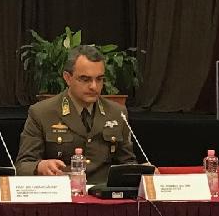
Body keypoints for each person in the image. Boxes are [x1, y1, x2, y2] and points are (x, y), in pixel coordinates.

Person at [17, 44, 135, 186]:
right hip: (62, 192)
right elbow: (23, 166)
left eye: (99, 79)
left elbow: (127, 164)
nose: (94, 86)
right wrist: (40, 167)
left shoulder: (117, 112)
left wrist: (144, 172)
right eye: (85, 79)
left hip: (102, 191)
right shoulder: (42, 113)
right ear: (68, 78)